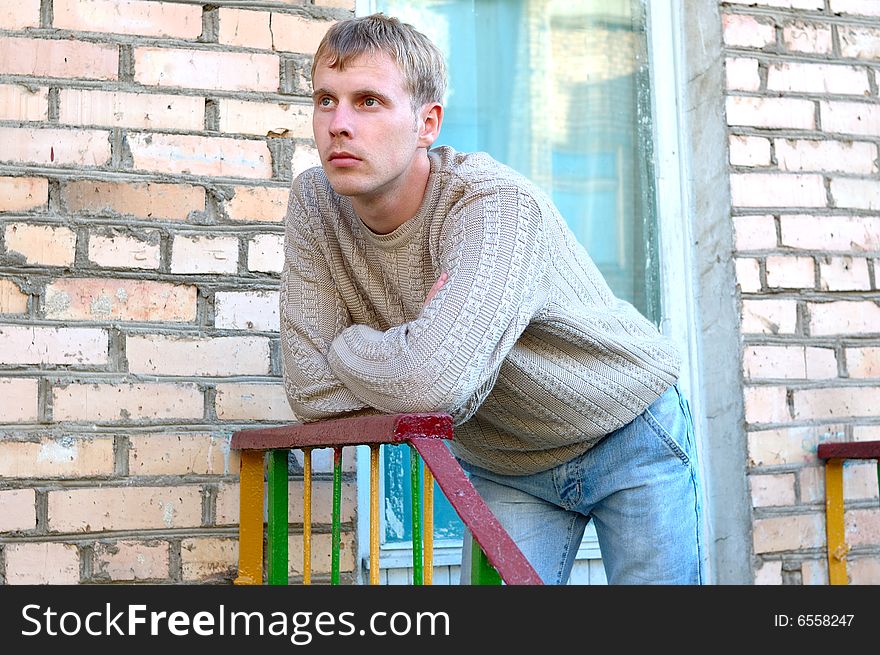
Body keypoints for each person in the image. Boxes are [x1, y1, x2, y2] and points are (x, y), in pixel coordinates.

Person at [280, 12, 703, 585]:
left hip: (623, 429)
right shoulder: (315, 204)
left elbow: (434, 385)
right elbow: (310, 390)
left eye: (369, 101)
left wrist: (348, 344)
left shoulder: (492, 205)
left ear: (426, 122)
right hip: (505, 461)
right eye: (325, 100)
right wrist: (417, 357)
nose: (339, 124)